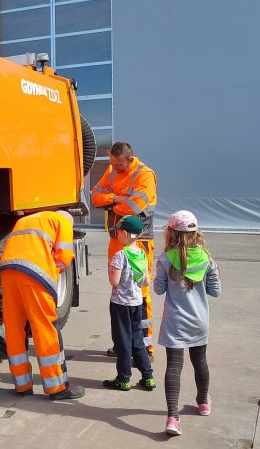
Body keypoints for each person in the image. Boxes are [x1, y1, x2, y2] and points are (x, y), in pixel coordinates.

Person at [0, 210, 85, 400]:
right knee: (44, 328)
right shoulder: (62, 221)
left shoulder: (26, 220)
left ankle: (22, 385)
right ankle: (57, 387)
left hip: (7, 272)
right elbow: (63, 256)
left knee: (14, 329)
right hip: (34, 275)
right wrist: (50, 279)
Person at [153, 210, 221, 436]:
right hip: (199, 321)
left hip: (175, 322)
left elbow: (159, 289)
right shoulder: (207, 258)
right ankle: (203, 402)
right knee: (200, 361)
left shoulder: (165, 259)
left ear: (171, 232)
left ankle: (173, 418)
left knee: (173, 367)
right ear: (195, 232)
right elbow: (215, 291)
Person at [90, 142, 157, 359]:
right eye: (113, 163)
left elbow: (135, 207)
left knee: (140, 294)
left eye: (119, 165)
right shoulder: (112, 170)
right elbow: (94, 197)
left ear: (130, 159)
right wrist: (116, 199)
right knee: (118, 294)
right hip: (116, 240)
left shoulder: (145, 175)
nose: (115, 169)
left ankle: (145, 349)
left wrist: (110, 204)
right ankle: (122, 345)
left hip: (139, 242)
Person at [101, 215, 155, 392]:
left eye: (117, 232)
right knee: (137, 340)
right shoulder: (141, 253)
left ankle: (123, 379)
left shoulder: (119, 256)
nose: (116, 235)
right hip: (137, 303)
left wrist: (110, 269)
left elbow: (114, 282)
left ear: (124, 233)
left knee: (123, 342)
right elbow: (146, 281)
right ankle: (148, 377)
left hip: (120, 305)